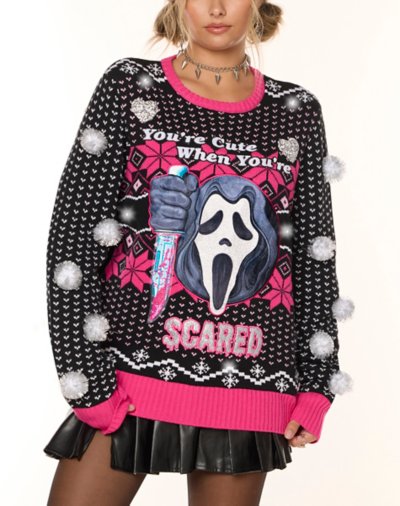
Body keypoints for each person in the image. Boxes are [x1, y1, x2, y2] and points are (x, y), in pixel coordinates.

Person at [43, 1, 354, 504]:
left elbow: (314, 257)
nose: (216, 7)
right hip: (126, 377)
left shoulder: (295, 110)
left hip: (250, 385)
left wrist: (318, 383)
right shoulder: (132, 87)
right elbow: (73, 240)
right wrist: (85, 378)